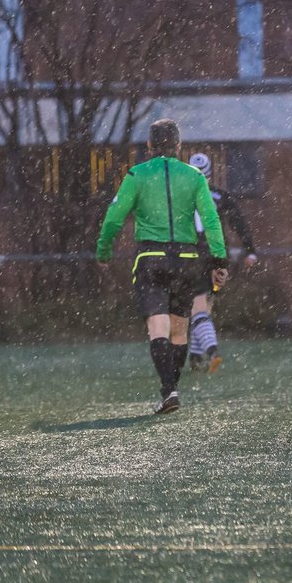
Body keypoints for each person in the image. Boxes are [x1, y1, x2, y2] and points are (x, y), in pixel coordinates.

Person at [95, 119, 228, 414]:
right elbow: (211, 219)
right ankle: (172, 390)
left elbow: (114, 217)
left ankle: (168, 391)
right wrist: (219, 260)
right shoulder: (194, 177)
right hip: (187, 260)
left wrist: (103, 250)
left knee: (158, 327)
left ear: (150, 146)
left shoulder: (136, 174)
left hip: (150, 259)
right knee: (180, 331)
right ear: (178, 146)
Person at [185, 152, 259, 372]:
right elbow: (239, 223)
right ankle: (196, 356)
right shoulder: (220, 196)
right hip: (217, 256)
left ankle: (211, 350)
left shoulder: (181, 197)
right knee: (205, 305)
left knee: (196, 307)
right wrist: (250, 250)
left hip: (190, 255)